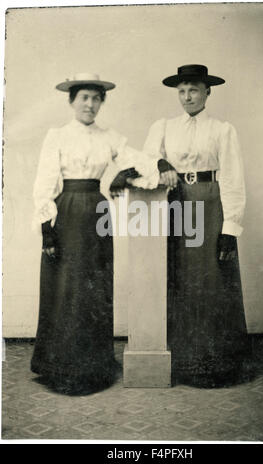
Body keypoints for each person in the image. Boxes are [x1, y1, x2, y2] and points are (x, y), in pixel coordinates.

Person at [31, 73, 159, 395]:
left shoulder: (110, 136)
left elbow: (140, 162)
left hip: (98, 212)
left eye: (96, 98)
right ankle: (61, 364)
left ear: (102, 102)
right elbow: (44, 182)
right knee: (68, 287)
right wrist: (47, 230)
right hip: (67, 211)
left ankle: (95, 365)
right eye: (84, 98)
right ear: (72, 101)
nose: (90, 104)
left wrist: (124, 174)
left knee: (95, 287)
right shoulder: (57, 135)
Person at [143, 64, 252, 388]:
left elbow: (232, 178)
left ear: (207, 92)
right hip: (177, 203)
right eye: (182, 90)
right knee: (182, 279)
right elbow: (144, 158)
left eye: (193, 89)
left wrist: (230, 228)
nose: (187, 96)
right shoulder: (164, 127)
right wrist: (161, 162)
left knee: (212, 278)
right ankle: (184, 362)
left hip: (209, 202)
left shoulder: (222, 129)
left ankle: (218, 363)